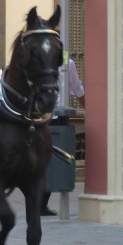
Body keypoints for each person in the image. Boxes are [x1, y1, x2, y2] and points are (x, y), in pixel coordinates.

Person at [41, 56, 85, 216]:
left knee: (50, 160)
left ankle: (41, 203)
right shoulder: (65, 63)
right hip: (46, 116)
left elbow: (77, 88)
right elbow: (78, 89)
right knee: (48, 160)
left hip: (55, 117)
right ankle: (40, 203)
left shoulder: (68, 63)